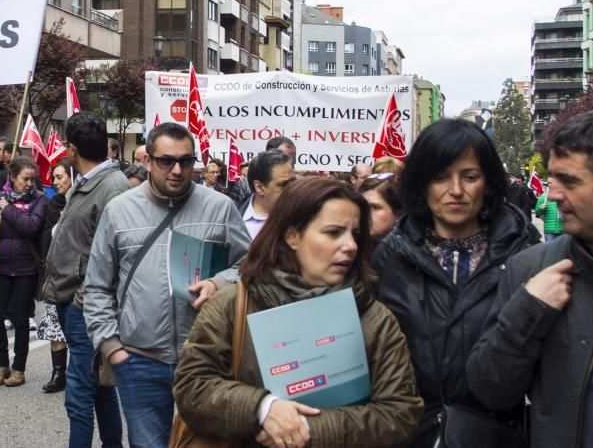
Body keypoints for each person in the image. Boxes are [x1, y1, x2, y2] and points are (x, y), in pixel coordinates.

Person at [173, 178, 423, 447]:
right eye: (333, 232)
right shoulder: (232, 305)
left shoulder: (375, 318)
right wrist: (263, 409)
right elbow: (192, 387)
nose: (350, 245)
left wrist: (304, 427)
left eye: (355, 234)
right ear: (292, 236)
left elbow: (400, 414)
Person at [82, 122, 252, 447]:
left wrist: (220, 282)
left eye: (185, 161)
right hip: (139, 360)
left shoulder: (220, 207)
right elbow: (97, 286)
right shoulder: (119, 211)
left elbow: (250, 266)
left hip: (206, 359)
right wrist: (112, 348)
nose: (177, 170)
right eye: (166, 161)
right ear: (147, 161)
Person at [373, 119, 537, 447]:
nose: (456, 190)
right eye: (440, 177)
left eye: (470, 176)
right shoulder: (387, 258)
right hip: (408, 432)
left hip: (496, 435)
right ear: (421, 184)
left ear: (488, 182)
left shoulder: (526, 255)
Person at [466, 109, 593, 448]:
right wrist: (527, 311)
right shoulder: (531, 268)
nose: (553, 194)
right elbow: (490, 388)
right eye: (552, 179)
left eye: (570, 181)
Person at [42, 112, 128, 448]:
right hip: (75, 302)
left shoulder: (111, 187)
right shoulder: (89, 183)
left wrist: (81, 303)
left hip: (86, 308)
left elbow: (109, 254)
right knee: (101, 389)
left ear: (73, 149)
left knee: (79, 396)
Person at [0, 156, 48, 387]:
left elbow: (31, 227)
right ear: (12, 178)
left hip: (26, 268)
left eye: (33, 179)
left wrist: (10, 211)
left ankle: (19, 368)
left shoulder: (40, 200)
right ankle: (1, 364)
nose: (30, 184)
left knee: (21, 319)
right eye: (25, 179)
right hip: (0, 267)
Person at [37, 159, 72, 393]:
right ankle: (58, 373)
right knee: (54, 325)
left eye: (61, 177)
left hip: (76, 275)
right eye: (54, 177)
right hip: (54, 273)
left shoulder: (80, 202)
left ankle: (79, 372)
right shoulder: (52, 205)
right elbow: (43, 236)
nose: (56, 182)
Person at [240, 150, 294, 240]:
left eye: (293, 181)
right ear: (259, 187)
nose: (292, 189)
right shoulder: (232, 219)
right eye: (283, 185)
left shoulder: (303, 218)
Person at [359, 173, 402, 247]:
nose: (365, 213)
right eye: (362, 206)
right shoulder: (351, 248)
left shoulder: (410, 253)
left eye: (375, 207)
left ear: (398, 215)